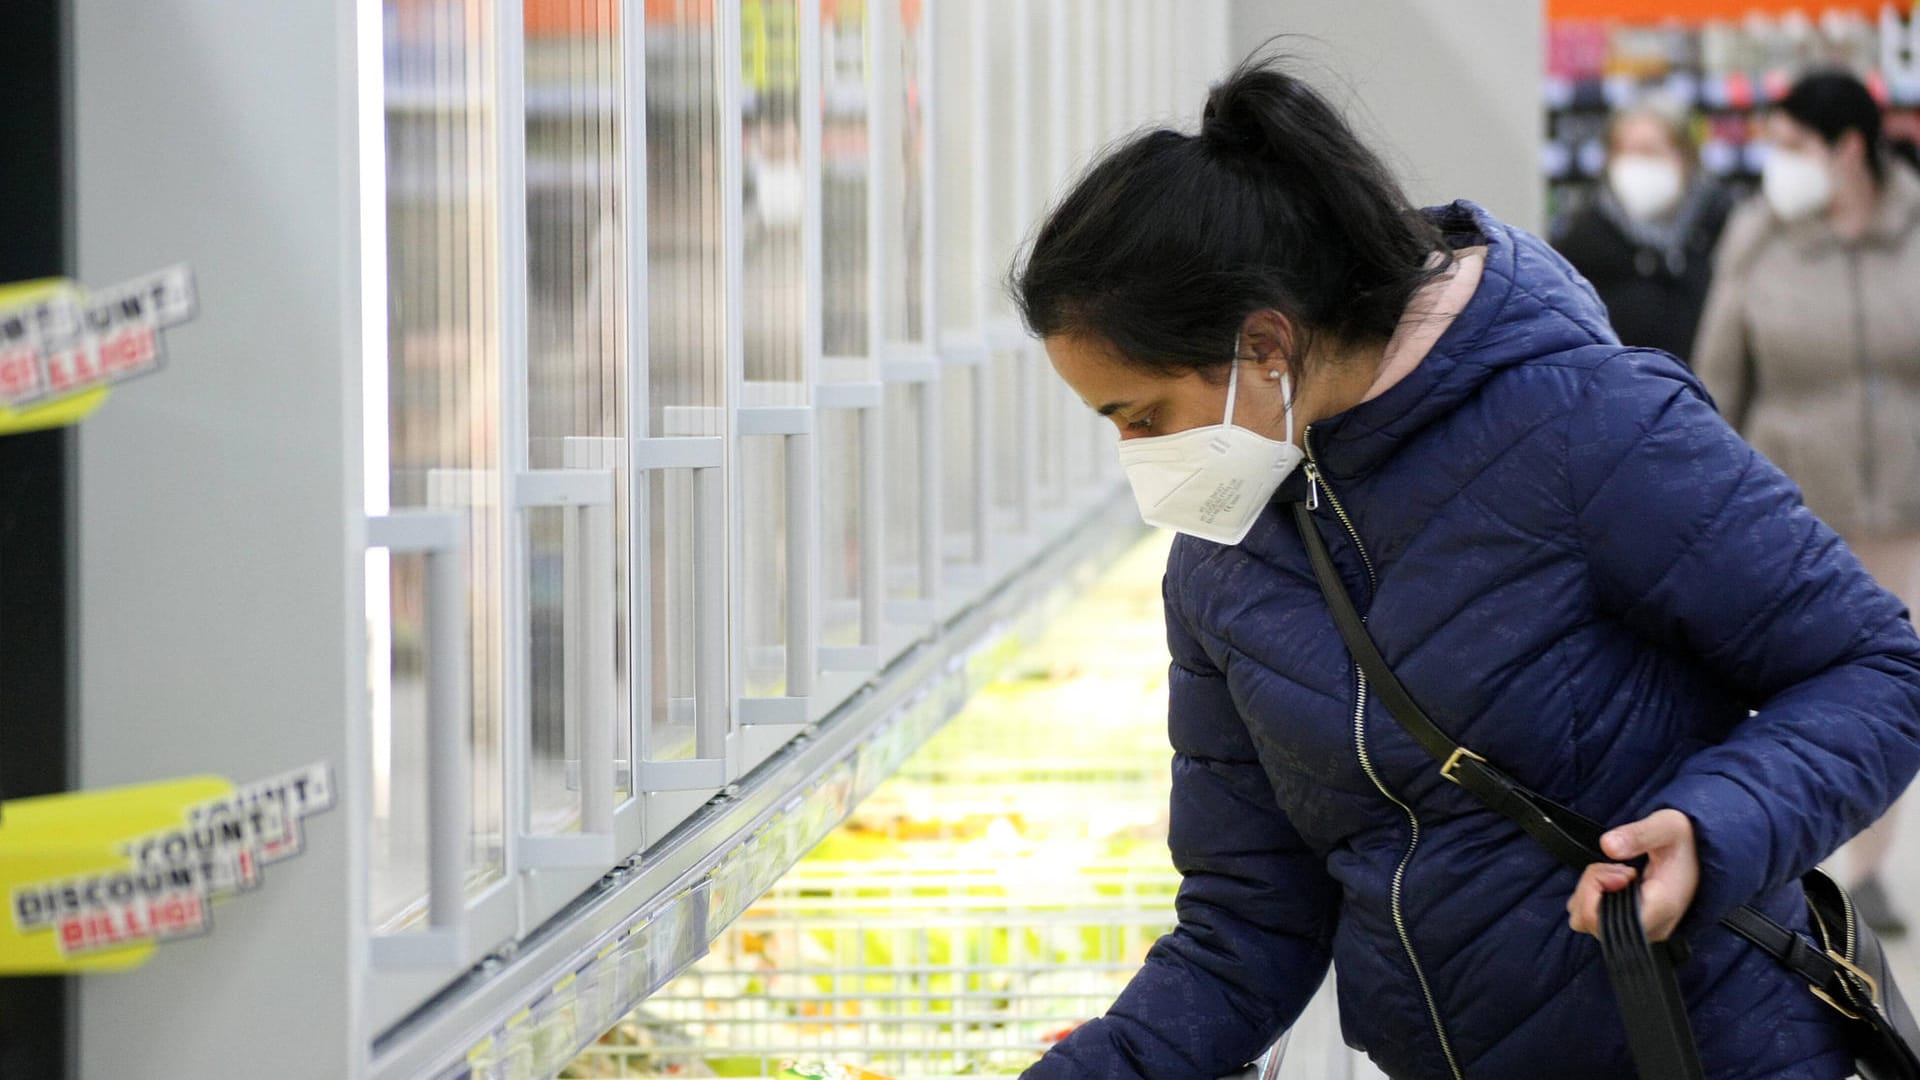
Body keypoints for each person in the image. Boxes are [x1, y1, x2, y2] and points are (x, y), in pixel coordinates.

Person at [1009, 55, 1920, 1080]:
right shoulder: (1224, 566)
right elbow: (1245, 929)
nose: (1137, 455)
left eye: (1143, 415)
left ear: (1265, 343)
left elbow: (1877, 669)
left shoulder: (1591, 429)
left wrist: (1717, 829)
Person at [1692, 69, 1920, 938]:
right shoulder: (1758, 237)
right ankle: (1791, 860)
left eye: (1791, 146)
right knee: (1787, 688)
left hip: (1901, 499)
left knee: (1891, 681)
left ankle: (1869, 870)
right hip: (1788, 507)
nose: (1773, 164)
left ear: (1847, 148)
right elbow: (1714, 379)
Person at [1550, 96, 1734, 364]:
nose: (1638, 166)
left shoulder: (1724, 231)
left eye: (1651, 152)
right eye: (1627, 152)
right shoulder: (1581, 242)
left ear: (1686, 158)